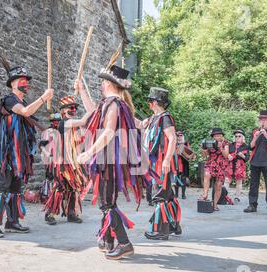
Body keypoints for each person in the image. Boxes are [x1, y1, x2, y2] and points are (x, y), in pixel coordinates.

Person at [77, 64, 143, 260]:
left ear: (108, 83)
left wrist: (88, 152)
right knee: (108, 202)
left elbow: (108, 132)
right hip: (110, 161)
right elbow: (92, 114)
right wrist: (81, 90)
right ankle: (107, 240)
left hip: (110, 162)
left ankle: (124, 244)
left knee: (107, 204)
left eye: (103, 82)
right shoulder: (111, 103)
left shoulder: (114, 104)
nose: (101, 85)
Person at [0, 57, 54, 238]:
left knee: (15, 188)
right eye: (22, 80)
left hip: (19, 154)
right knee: (3, 186)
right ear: (13, 84)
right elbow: (25, 112)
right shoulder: (9, 100)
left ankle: (12, 222)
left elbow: (28, 114)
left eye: (27, 80)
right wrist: (43, 98)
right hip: (7, 154)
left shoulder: (23, 103)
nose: (26, 83)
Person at [135, 87, 181, 240]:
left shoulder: (165, 118)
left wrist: (167, 160)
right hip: (156, 162)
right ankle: (174, 225)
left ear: (154, 102)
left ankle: (161, 230)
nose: (148, 103)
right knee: (168, 194)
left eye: (149, 101)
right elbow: (140, 125)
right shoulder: (154, 118)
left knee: (160, 194)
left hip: (162, 162)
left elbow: (172, 138)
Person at [42, 94, 94, 225]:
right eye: (71, 108)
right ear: (64, 110)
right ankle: (50, 213)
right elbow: (83, 121)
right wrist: (91, 112)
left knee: (73, 188)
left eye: (75, 108)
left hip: (73, 163)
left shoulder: (74, 125)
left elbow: (85, 130)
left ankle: (71, 213)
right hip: (62, 162)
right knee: (59, 187)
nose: (74, 110)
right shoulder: (65, 122)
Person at [244, 110, 267, 215]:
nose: (263, 121)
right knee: (253, 185)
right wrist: (255, 136)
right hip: (255, 161)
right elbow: (250, 147)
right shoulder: (255, 131)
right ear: (259, 121)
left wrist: (266, 135)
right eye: (262, 119)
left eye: (266, 119)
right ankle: (252, 205)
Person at [199, 128, 229, 211]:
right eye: (215, 135)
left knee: (218, 185)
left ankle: (215, 204)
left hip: (221, 165)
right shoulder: (210, 143)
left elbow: (226, 155)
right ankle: (205, 194)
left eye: (219, 135)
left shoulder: (225, 143)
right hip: (211, 163)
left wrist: (221, 148)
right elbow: (205, 155)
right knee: (207, 174)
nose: (217, 137)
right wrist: (203, 150)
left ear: (222, 136)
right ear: (213, 136)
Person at [224, 129, 249, 203]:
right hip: (230, 164)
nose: (237, 137)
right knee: (227, 181)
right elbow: (226, 153)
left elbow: (247, 158)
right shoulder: (230, 145)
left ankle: (237, 197)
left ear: (243, 137)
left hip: (240, 166)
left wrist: (242, 156)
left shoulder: (245, 146)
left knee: (239, 182)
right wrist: (228, 156)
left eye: (239, 136)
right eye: (236, 136)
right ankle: (224, 196)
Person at [174, 130, 191, 200]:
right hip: (175, 163)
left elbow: (189, 153)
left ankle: (183, 194)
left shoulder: (186, 143)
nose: (179, 137)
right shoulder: (173, 143)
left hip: (184, 163)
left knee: (183, 178)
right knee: (176, 178)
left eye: (181, 135)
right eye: (178, 135)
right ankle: (176, 194)